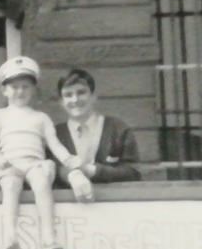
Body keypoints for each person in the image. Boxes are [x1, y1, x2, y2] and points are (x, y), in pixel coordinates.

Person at [0, 56, 82, 249]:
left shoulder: (41, 118)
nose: (20, 91)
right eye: (14, 87)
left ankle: (48, 236)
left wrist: (68, 159)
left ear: (33, 90)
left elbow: (54, 144)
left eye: (25, 87)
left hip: (34, 164)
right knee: (11, 186)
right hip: (11, 165)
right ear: (5, 91)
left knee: (41, 183)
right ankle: (10, 234)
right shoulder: (0, 116)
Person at [52, 68, 142, 202]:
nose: (75, 99)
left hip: (115, 205)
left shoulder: (118, 128)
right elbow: (51, 172)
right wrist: (72, 175)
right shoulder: (55, 134)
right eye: (68, 95)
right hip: (69, 210)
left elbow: (133, 172)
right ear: (61, 101)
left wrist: (91, 170)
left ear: (94, 96)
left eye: (81, 92)